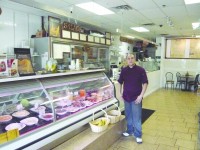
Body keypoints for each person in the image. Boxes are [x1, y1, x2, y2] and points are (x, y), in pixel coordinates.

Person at [118, 53, 148, 144]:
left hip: (136, 98)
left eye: (132, 58)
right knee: (128, 116)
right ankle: (129, 131)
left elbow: (145, 83)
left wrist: (141, 96)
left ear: (135, 59)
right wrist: (120, 93)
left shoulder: (141, 70)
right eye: (128, 58)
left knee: (137, 117)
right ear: (126, 60)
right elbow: (120, 82)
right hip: (126, 97)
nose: (130, 60)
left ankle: (138, 135)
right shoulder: (124, 70)